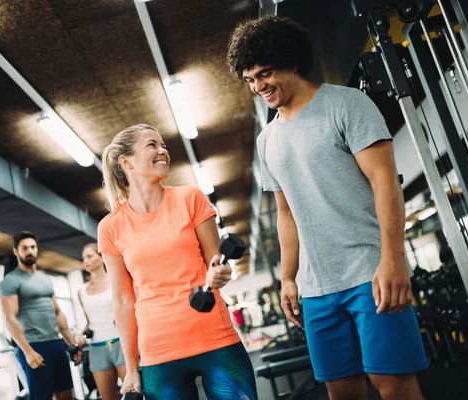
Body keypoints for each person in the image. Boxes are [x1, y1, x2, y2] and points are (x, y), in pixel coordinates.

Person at [227, 16, 429, 400]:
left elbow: (385, 183)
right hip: (316, 288)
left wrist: (393, 258)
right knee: (341, 392)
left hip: (369, 272)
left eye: (265, 74)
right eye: (250, 80)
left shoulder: (346, 104)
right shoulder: (266, 140)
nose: (258, 87)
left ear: (291, 61)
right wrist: (288, 278)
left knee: (395, 386)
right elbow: (285, 214)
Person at [97, 124, 257, 400]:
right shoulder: (110, 227)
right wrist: (132, 369)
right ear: (126, 162)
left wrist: (221, 273)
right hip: (159, 350)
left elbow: (216, 262)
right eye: (152, 145)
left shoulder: (189, 197)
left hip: (214, 336)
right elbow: (123, 301)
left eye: (164, 146)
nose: (163, 151)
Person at [0, 231, 82, 400]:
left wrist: (71, 344)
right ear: (16, 252)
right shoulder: (10, 281)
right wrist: (28, 351)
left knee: (66, 395)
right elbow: (10, 318)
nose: (30, 251)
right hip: (34, 345)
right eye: (24, 248)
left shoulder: (44, 278)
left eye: (33, 247)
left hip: (56, 343)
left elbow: (57, 312)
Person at [75, 243, 126, 399]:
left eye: (89, 256)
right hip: (97, 348)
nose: (85, 261)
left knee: (134, 394)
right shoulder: (81, 291)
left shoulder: (117, 281)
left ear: (101, 256)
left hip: (121, 343)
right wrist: (80, 335)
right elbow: (90, 322)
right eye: (83, 258)